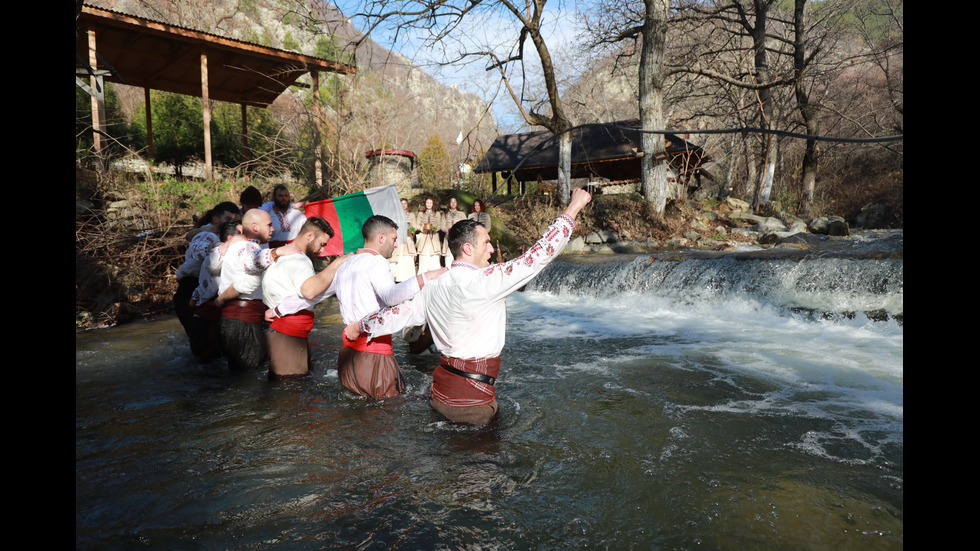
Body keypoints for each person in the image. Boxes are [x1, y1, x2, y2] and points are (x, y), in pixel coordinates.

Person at [345, 188, 592, 426]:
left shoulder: (432, 287)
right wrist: (573, 208)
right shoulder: (488, 280)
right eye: (487, 243)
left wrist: (360, 325)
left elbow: (394, 315)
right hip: (473, 406)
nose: (493, 249)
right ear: (468, 248)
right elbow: (538, 255)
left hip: (439, 396)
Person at [267, 215, 446, 398]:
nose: (396, 245)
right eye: (394, 239)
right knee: (383, 420)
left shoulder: (346, 264)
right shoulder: (377, 262)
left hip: (348, 360)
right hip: (375, 357)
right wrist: (426, 277)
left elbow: (314, 296)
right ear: (381, 238)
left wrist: (277, 310)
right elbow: (392, 297)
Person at [261, 217, 349, 379]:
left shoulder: (282, 253)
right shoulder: (298, 259)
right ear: (309, 236)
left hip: (282, 332)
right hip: (287, 334)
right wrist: (336, 265)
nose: (322, 251)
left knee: (293, 388)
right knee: (288, 392)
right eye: (322, 244)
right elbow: (309, 291)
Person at [214, 208, 299, 371]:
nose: (273, 229)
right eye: (269, 225)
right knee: (250, 378)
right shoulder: (246, 247)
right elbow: (252, 264)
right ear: (254, 227)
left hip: (240, 321)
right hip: (242, 322)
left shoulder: (246, 246)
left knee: (247, 376)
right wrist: (278, 252)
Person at [174, 202, 241, 346]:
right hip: (190, 290)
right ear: (216, 220)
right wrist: (221, 247)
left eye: (235, 220)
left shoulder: (224, 234)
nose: (232, 223)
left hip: (202, 292)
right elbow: (199, 251)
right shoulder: (208, 234)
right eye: (228, 219)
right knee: (202, 347)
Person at [390, 198, 419, 282]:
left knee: (407, 257)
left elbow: (415, 227)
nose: (403, 205)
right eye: (401, 203)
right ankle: (397, 279)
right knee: (398, 256)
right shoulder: (394, 215)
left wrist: (411, 230)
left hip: (408, 238)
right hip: (398, 238)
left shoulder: (411, 215)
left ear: (407, 205)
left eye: (405, 203)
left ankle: (407, 279)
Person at [415, 196, 443, 273]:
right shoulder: (421, 213)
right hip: (423, 237)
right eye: (427, 203)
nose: (429, 204)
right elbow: (417, 225)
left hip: (433, 237)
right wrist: (422, 228)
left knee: (434, 257)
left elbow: (439, 225)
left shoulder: (437, 213)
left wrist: (435, 229)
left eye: (430, 203)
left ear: (433, 204)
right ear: (425, 204)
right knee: (424, 257)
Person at [440, 196, 467, 266]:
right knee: (448, 258)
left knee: (459, 255)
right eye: (451, 202)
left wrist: (459, 230)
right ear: (449, 203)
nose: (453, 203)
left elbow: (465, 225)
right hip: (448, 237)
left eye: (454, 202)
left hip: (459, 237)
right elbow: (442, 226)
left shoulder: (461, 214)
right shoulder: (445, 214)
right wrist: (447, 230)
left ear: (457, 203)